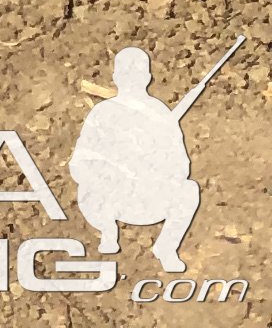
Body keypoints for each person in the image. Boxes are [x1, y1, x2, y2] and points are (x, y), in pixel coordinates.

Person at [70, 45, 205, 272]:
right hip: (111, 197)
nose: (131, 78)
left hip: (148, 197)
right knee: (87, 188)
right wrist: (111, 172)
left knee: (188, 190)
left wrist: (154, 164)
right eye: (126, 73)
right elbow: (80, 163)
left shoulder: (160, 113)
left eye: (137, 73)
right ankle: (108, 231)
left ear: (147, 77)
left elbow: (181, 166)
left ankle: (166, 247)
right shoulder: (102, 113)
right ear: (116, 77)